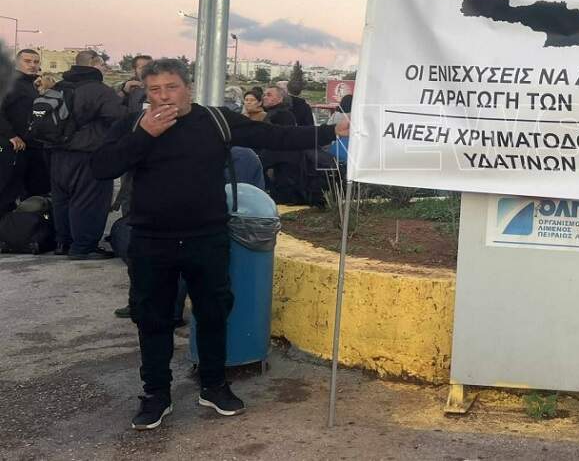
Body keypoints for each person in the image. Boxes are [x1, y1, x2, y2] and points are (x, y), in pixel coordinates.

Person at [90, 58, 346, 430]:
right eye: (155, 90)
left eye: (172, 87)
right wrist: (144, 134)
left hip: (206, 236)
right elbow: (101, 167)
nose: (164, 96)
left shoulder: (215, 120)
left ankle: (213, 385)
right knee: (152, 318)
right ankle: (156, 394)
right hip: (150, 239)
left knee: (213, 312)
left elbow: (273, 137)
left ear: (188, 88)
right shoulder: (132, 124)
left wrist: (331, 131)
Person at [49, 50, 125, 258]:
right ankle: (83, 247)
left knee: (62, 200)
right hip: (88, 154)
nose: (104, 68)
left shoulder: (59, 86)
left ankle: (63, 243)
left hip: (57, 154)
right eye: (102, 64)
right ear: (93, 63)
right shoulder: (98, 89)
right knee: (89, 201)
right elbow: (119, 117)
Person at [0, 49, 49, 211]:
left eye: (36, 62)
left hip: (33, 147)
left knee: (34, 194)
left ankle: (26, 225)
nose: (32, 65)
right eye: (27, 61)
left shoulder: (33, 85)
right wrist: (10, 135)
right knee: (7, 193)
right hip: (13, 148)